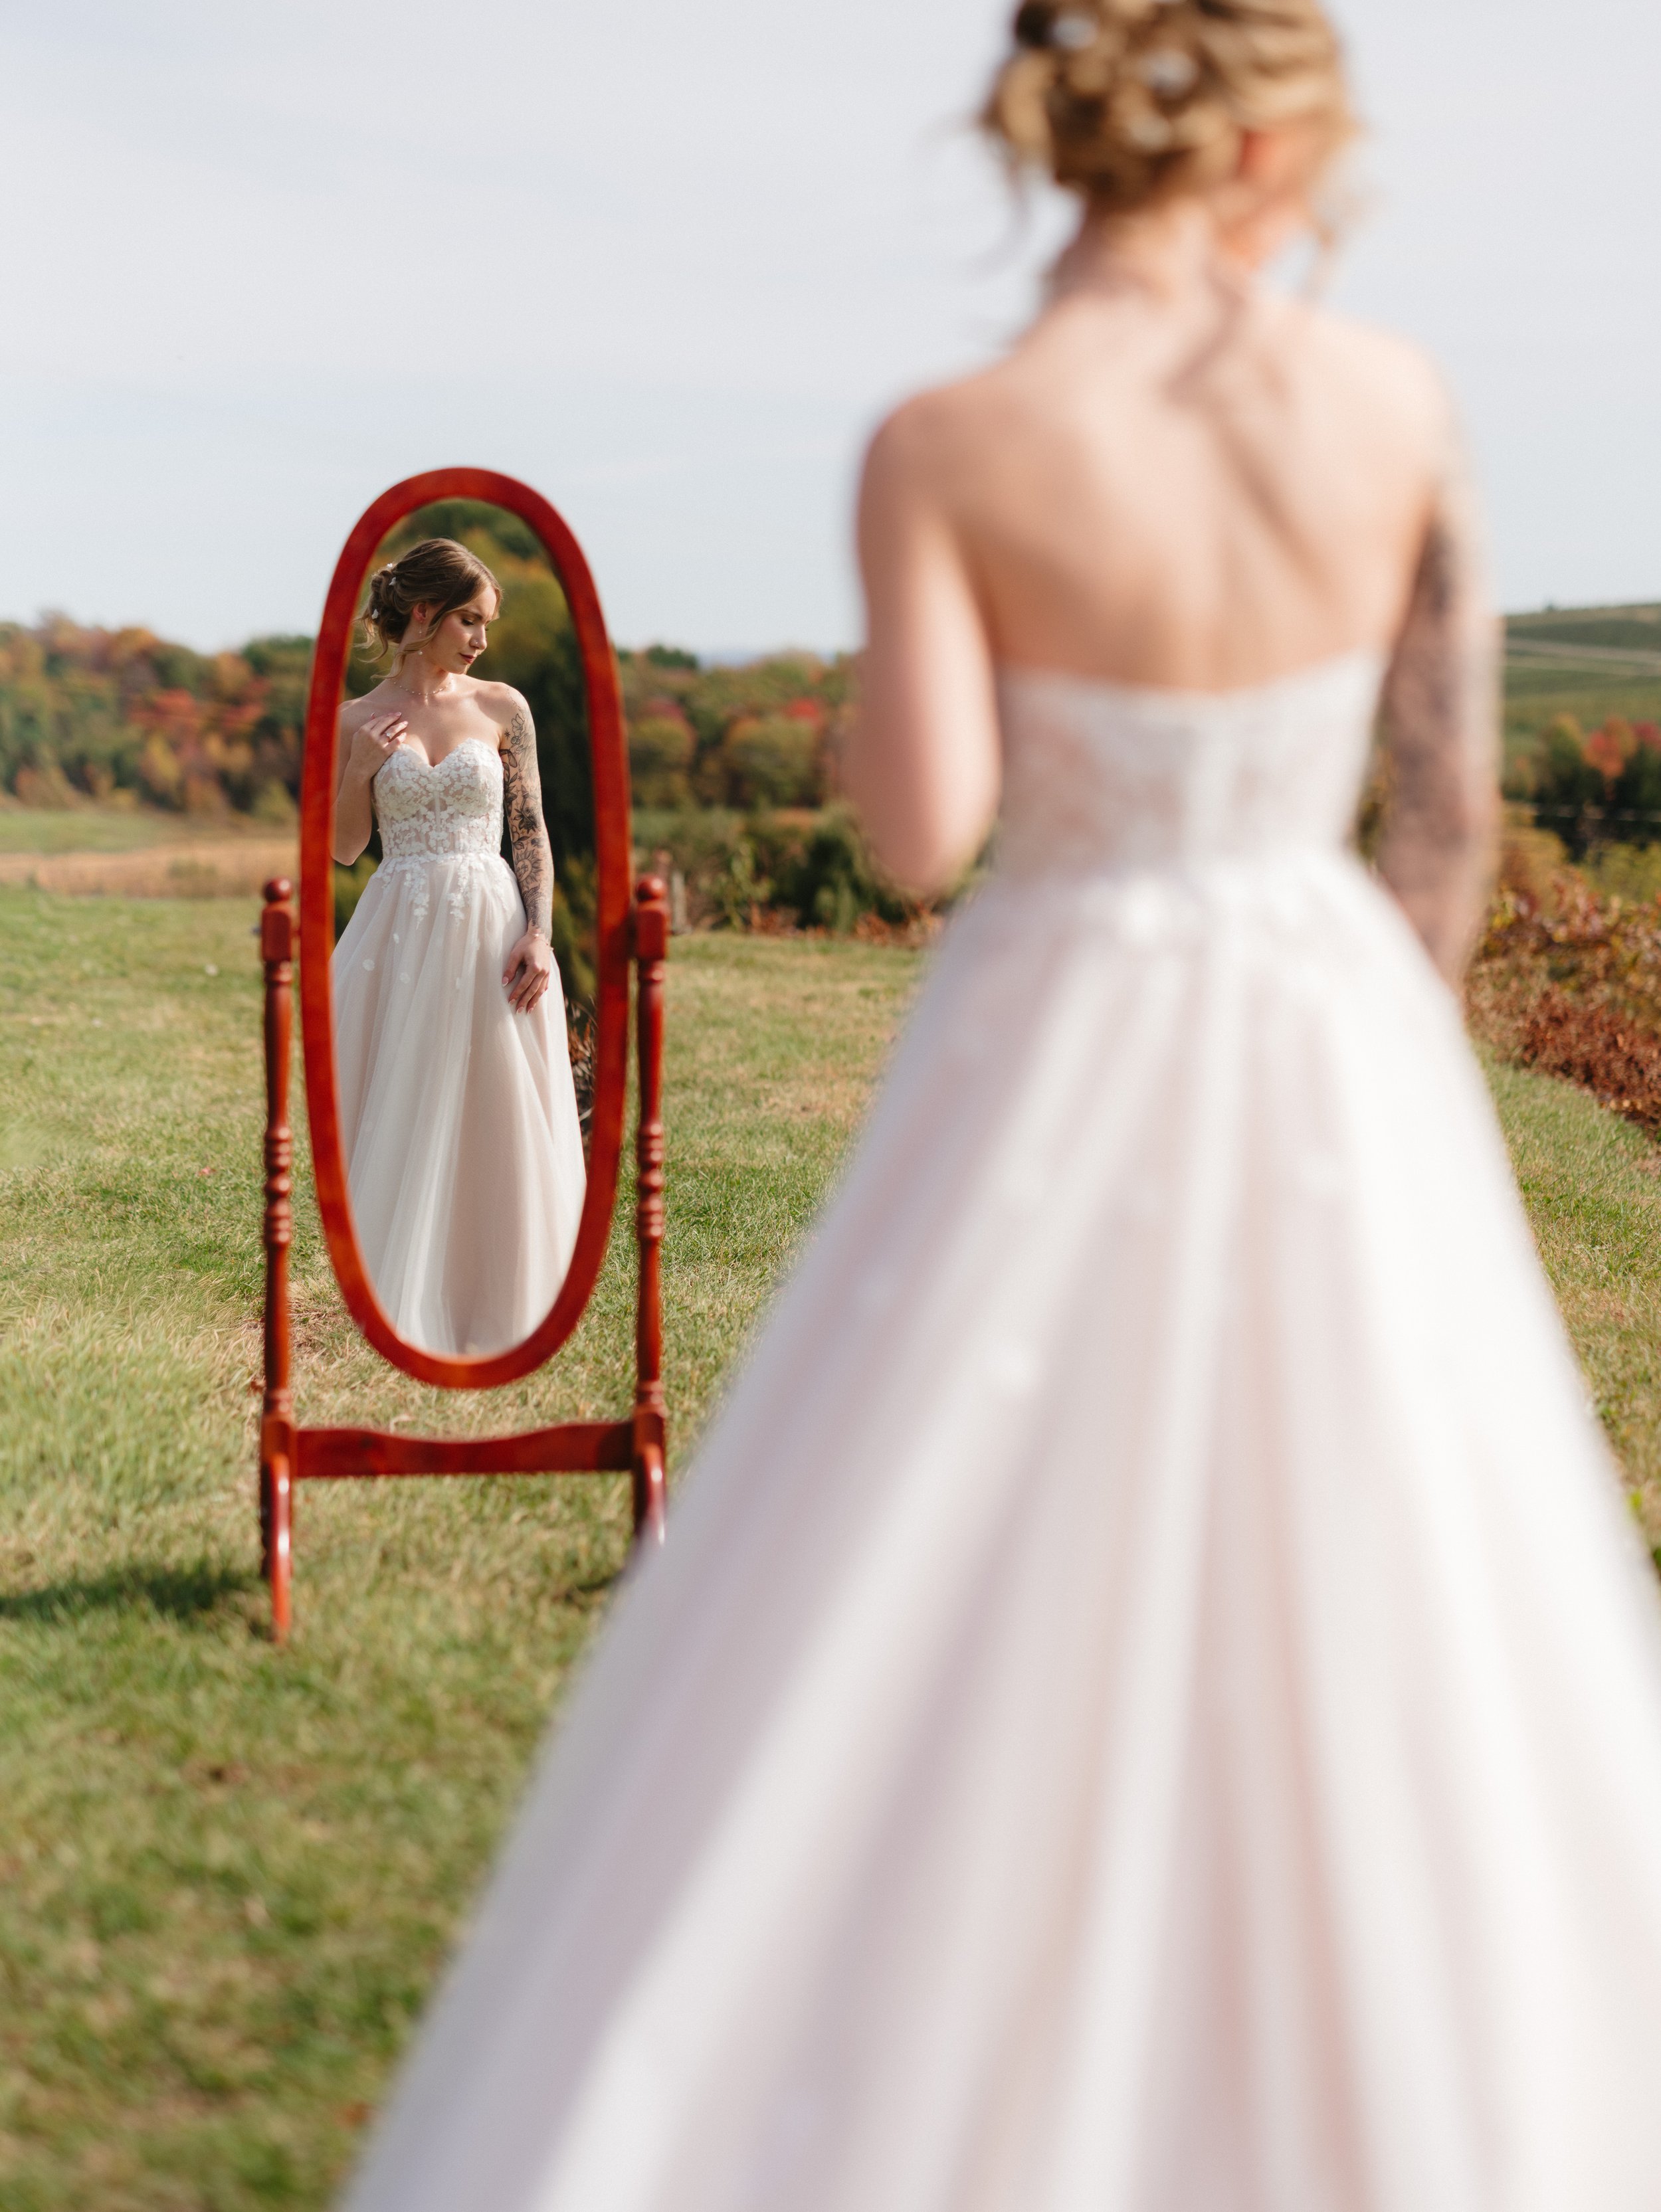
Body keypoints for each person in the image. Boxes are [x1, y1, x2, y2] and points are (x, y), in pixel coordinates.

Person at [345, 6, 1661, 2205]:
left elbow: (929, 829)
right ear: (1280, 129)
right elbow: (1445, 817)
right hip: (1334, 1007)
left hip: (1071, 1008)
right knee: (1388, 1548)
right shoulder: (1398, 406)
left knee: (952, 1545)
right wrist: (1381, 1055)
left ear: (1041, 126)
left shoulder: (953, 438)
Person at [331, 538, 585, 1358]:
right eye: (468, 620)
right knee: (404, 1098)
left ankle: (503, 1296)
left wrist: (540, 934)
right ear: (422, 614)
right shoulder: (352, 720)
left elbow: (529, 828)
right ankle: (400, 1300)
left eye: (486, 623)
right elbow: (342, 849)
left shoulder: (504, 706)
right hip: (399, 923)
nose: (480, 639)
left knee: (492, 1098)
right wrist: (359, 770)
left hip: (489, 922)